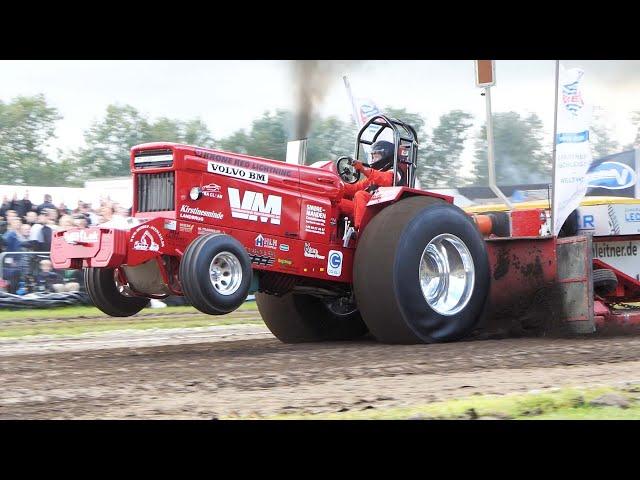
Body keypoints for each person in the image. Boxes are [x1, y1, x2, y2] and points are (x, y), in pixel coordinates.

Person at [339, 140, 396, 230]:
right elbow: (355, 188)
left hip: (379, 213)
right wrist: (337, 184)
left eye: (375, 157)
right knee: (337, 201)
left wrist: (362, 169)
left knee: (361, 195)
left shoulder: (393, 174)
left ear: (385, 156)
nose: (372, 160)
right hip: (364, 211)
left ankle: (360, 231)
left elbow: (384, 179)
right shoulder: (372, 177)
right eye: (372, 157)